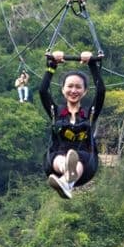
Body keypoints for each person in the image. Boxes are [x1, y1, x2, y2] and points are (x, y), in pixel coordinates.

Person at [39, 49, 105, 198]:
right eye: (70, 86)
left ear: (85, 91)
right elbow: (43, 91)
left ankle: (68, 178)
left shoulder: (90, 114)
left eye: (78, 87)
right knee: (61, 158)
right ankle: (66, 177)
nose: (73, 90)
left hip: (85, 163)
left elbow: (101, 91)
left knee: (78, 157)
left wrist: (93, 65)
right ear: (63, 90)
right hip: (55, 161)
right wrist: (52, 66)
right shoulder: (56, 112)